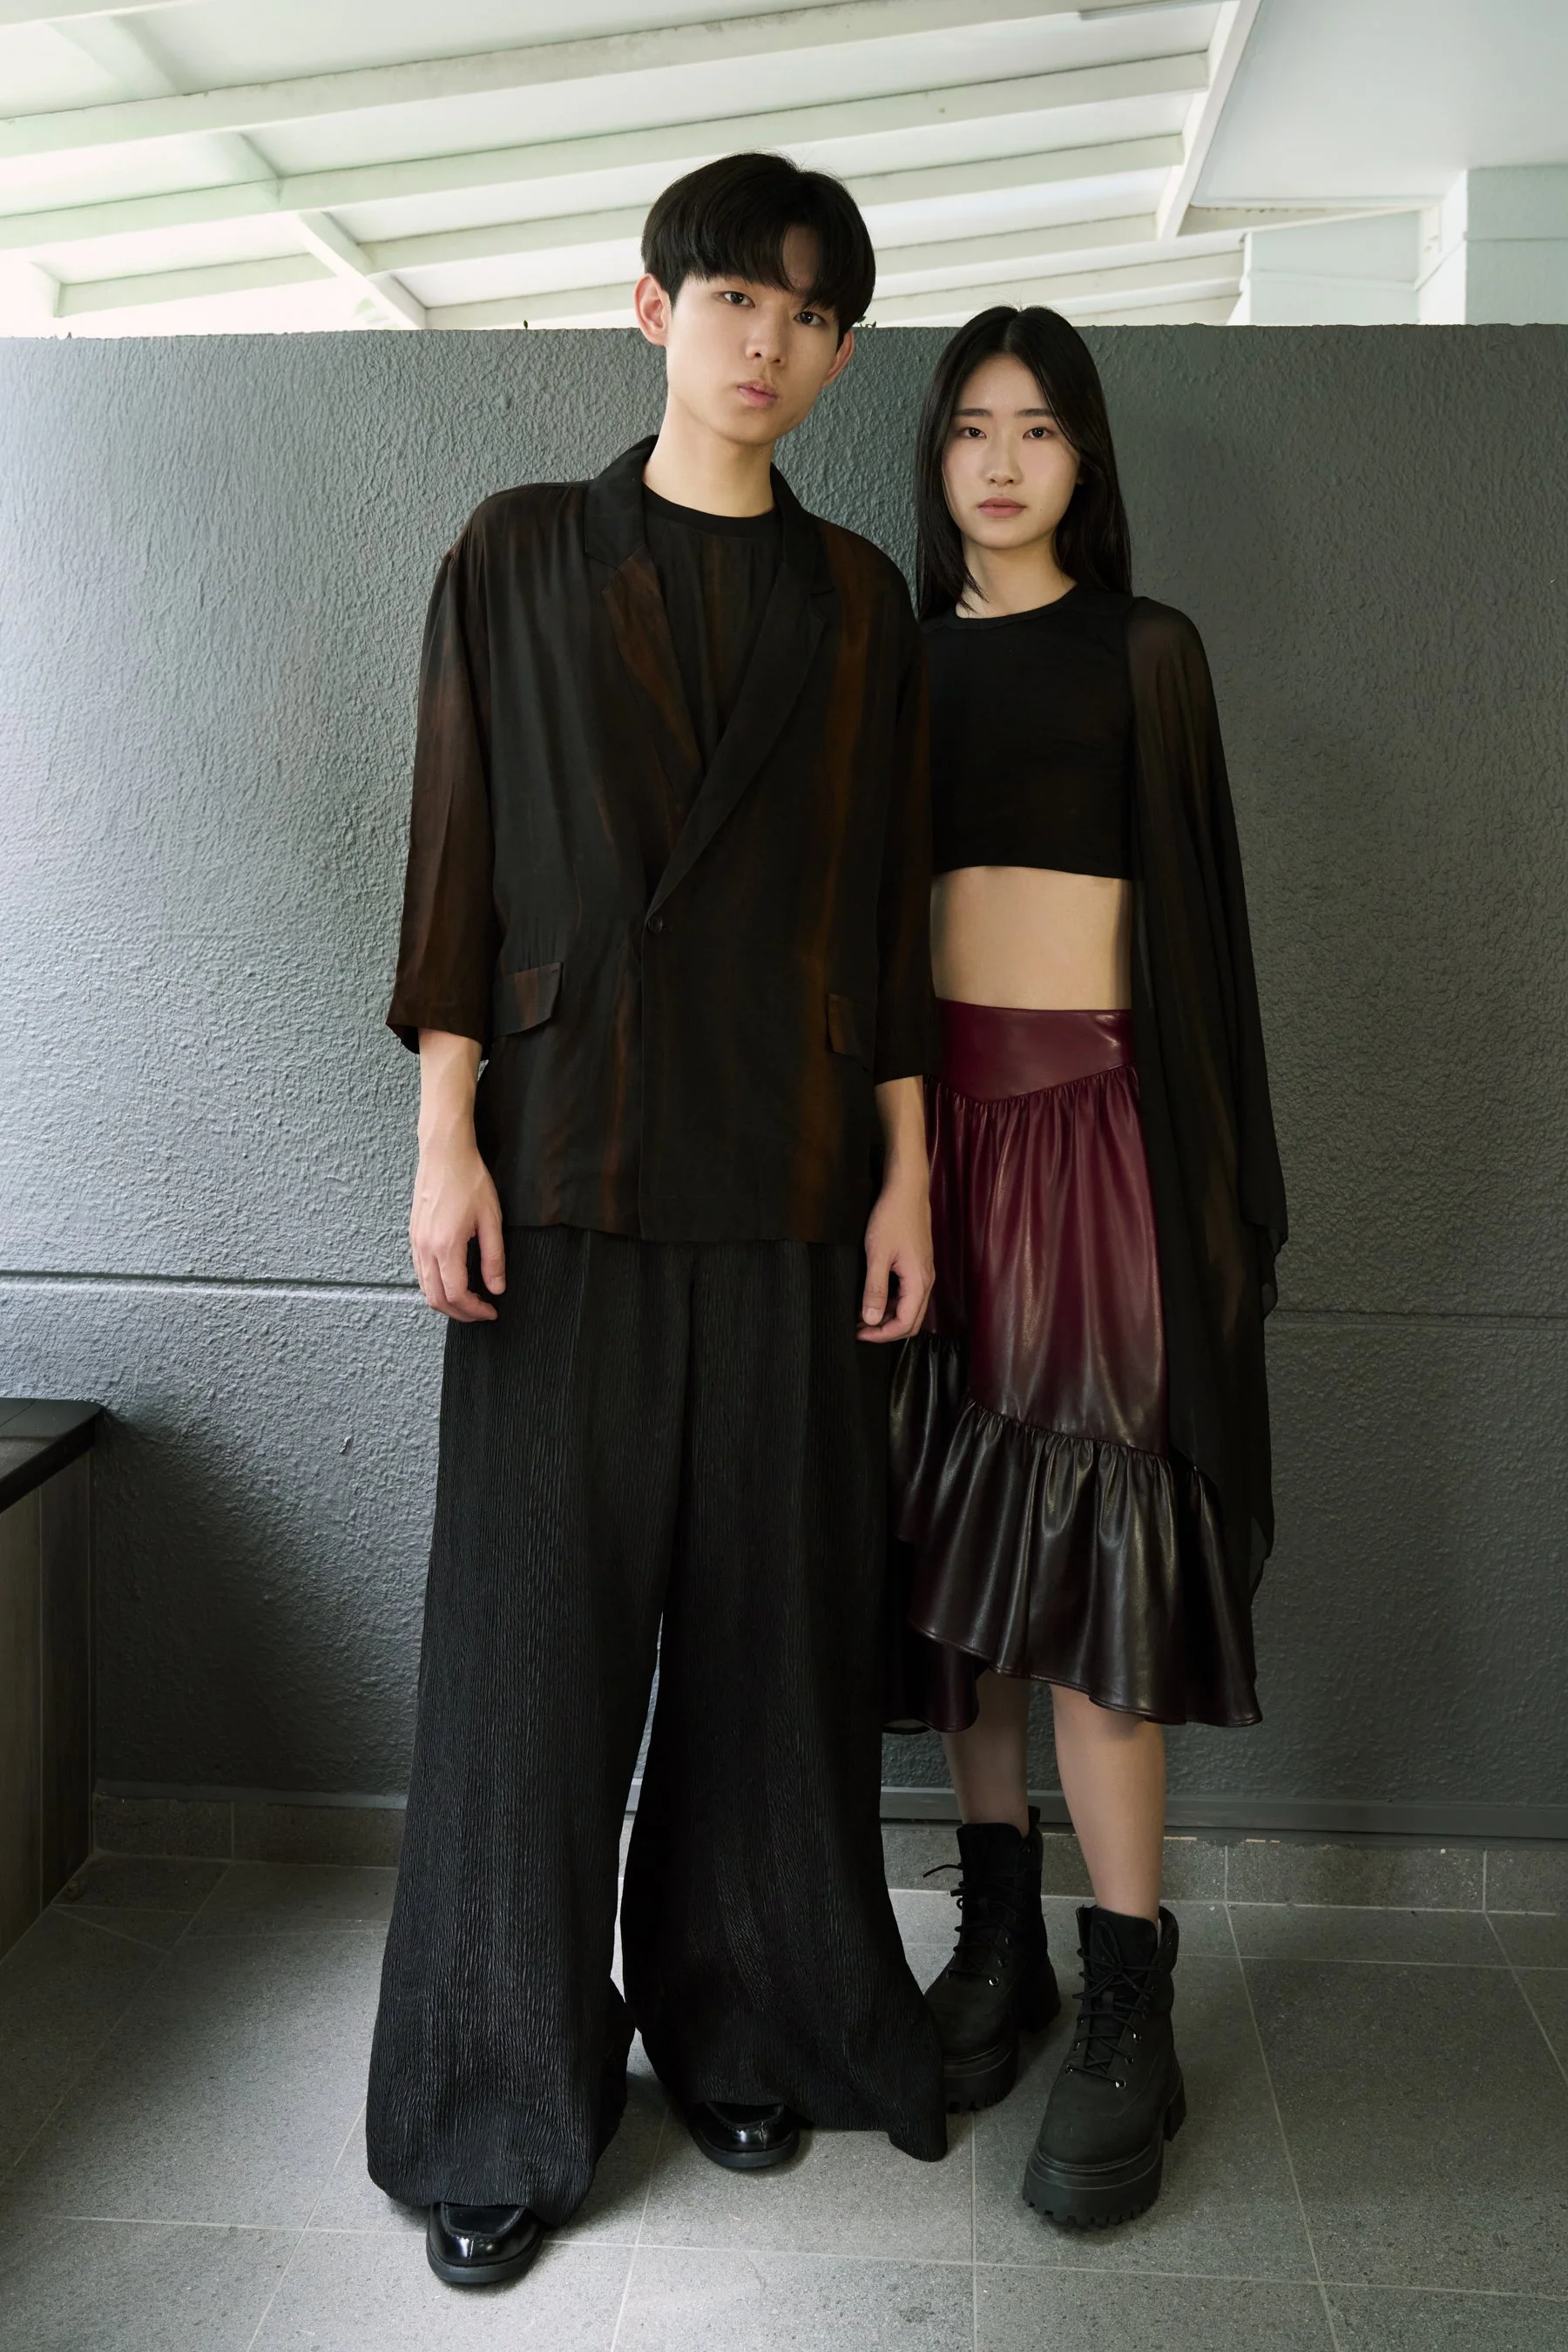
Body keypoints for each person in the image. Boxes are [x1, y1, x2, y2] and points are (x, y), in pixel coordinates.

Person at [365, 151, 948, 2290]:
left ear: (840, 354)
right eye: (732, 299)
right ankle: (497, 2096)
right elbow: (458, 854)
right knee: (528, 1647)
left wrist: (908, 1170)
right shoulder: (519, 551)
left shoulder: (859, 605)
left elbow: (883, 907)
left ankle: (747, 2015)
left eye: (806, 314)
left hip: (791, 1166)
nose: (765, 341)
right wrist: (445, 1135)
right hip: (566, 1161)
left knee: (773, 1635)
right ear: (651, 310)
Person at [889, 306, 1286, 2228]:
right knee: (951, 1576)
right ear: (934, 454)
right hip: (926, 1153)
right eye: (972, 426)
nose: (1001, 461)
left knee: (1097, 1563)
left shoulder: (1149, 651)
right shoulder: (890, 667)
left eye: (1039, 429)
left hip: (1098, 1143)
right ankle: (999, 1939)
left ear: (1086, 459)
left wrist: (1206, 1198)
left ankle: (1131, 1986)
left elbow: (1203, 934)